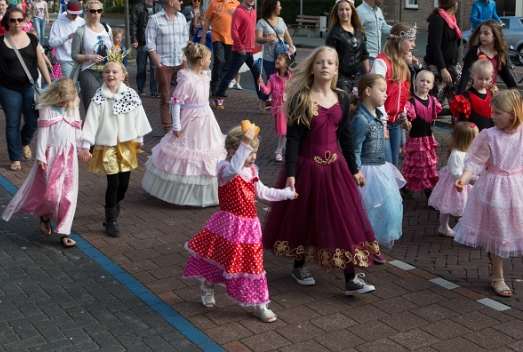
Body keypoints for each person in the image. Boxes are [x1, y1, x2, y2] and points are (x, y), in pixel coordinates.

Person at [263, 46, 380, 295]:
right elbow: (293, 139)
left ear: (336, 69)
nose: (325, 66)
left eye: (330, 63)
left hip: (335, 169)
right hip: (307, 168)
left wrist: (354, 168)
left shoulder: (343, 98)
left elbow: (345, 137)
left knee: (342, 217)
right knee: (305, 217)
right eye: (320, 62)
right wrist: (291, 173)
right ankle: (299, 265)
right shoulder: (301, 98)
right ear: (313, 67)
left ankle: (351, 279)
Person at [454, 90, 523, 297]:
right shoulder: (490, 135)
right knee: (497, 230)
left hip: (517, 188)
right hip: (493, 188)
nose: (492, 116)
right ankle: (498, 276)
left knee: (506, 230)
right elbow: (476, 160)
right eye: (493, 112)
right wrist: (464, 178)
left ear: (513, 114)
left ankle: (494, 260)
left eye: (497, 113)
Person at [183, 123, 296, 322]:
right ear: (235, 151)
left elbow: (263, 192)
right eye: (249, 152)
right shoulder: (225, 170)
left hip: (249, 228)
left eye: (255, 152)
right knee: (221, 259)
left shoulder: (252, 171)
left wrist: (286, 194)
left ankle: (259, 304)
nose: (253, 157)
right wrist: (245, 142)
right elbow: (234, 168)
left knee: (253, 264)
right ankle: (207, 287)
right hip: (227, 226)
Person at [142, 43, 226, 207]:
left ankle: (205, 192)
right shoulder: (187, 80)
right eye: (209, 59)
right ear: (201, 61)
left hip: (206, 118)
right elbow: (176, 102)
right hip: (191, 119)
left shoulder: (204, 76)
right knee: (188, 153)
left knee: (206, 150)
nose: (211, 61)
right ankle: (183, 193)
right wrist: (177, 125)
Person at [1, 79, 82, 248]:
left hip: (69, 156)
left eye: (67, 100)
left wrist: (81, 148)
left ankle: (65, 231)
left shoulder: (73, 108)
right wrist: (40, 157)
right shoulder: (47, 109)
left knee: (68, 194)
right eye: (61, 100)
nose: (64, 103)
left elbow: (77, 129)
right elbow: (43, 134)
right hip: (51, 156)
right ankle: (45, 216)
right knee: (52, 194)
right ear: (54, 95)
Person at [78, 59, 152, 237]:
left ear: (123, 75)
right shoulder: (99, 97)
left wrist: (139, 137)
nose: (110, 75)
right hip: (107, 146)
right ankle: (110, 219)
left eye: (114, 72)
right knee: (113, 183)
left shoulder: (131, 95)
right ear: (103, 75)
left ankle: (116, 203)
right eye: (107, 72)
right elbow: (91, 122)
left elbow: (138, 117)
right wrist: (85, 146)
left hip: (126, 145)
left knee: (123, 185)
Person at [0, 6, 53, 171]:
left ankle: (24, 142)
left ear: (24, 21)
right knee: (12, 123)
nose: (16, 23)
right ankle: (15, 157)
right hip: (8, 88)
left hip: (29, 86)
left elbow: (41, 62)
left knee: (33, 120)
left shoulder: (32, 39)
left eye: (19, 20)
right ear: (7, 22)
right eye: (12, 20)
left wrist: (50, 85)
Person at [350, 73, 405, 258]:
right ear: (367, 91)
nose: (386, 94)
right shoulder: (360, 119)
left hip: (381, 167)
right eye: (382, 90)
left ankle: (372, 243)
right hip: (366, 169)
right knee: (365, 209)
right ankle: (361, 245)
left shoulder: (379, 114)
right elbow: (355, 148)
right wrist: (356, 170)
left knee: (386, 209)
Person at [371, 22, 416, 167]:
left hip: (395, 122)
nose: (413, 45)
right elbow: (375, 96)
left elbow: (400, 95)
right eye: (410, 40)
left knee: (394, 165)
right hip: (381, 122)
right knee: (387, 165)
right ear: (398, 40)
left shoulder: (401, 63)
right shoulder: (381, 62)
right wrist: (383, 122)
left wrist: (403, 115)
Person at [146, 0, 188, 133]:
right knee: (165, 98)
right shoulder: (155, 19)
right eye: (179, 0)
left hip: (180, 62)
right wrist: (158, 64)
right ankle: (168, 128)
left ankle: (182, 125)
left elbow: (185, 39)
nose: (181, 2)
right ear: (171, 2)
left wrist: (184, 58)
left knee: (184, 96)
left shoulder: (182, 18)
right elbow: (150, 43)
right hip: (164, 63)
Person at [401, 69, 449, 195]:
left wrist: (453, 110)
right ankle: (413, 189)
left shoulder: (432, 101)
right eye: (422, 81)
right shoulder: (411, 102)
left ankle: (421, 190)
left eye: (428, 82)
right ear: (416, 82)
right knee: (416, 166)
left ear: (432, 85)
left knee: (427, 165)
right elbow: (408, 118)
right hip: (416, 140)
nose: (425, 84)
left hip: (427, 140)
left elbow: (439, 112)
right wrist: (406, 120)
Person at [429, 121, 479, 237]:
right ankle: (443, 226)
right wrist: (468, 179)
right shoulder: (456, 154)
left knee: (466, 204)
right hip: (453, 185)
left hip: (465, 184)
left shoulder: (470, 151)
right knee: (447, 206)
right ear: (467, 139)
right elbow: (455, 172)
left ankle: (463, 222)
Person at [214, 0, 261, 109]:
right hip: (240, 51)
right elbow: (233, 31)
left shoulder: (254, 12)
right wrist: (240, 46)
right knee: (230, 74)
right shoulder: (239, 12)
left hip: (250, 50)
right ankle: (219, 97)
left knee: (257, 74)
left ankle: (263, 98)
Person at [70, 0, 113, 114]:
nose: (96, 14)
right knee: (93, 108)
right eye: (93, 11)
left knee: (109, 107)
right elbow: (74, 55)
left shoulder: (107, 29)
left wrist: (115, 52)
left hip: (107, 73)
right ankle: (92, 131)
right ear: (87, 12)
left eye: (99, 11)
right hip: (89, 71)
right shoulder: (81, 31)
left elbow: (111, 48)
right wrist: (89, 57)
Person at [456, 20, 518, 94]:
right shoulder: (475, 51)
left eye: (486, 33)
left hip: (492, 94)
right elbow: (465, 76)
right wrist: (459, 97)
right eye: (480, 33)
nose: (482, 36)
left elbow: (508, 78)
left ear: (495, 36)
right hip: (476, 93)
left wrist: (520, 99)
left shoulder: (500, 54)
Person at [325, 0, 369, 94]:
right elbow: (329, 58)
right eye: (341, 9)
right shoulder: (333, 33)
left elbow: (364, 55)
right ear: (336, 12)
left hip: (358, 77)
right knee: (346, 105)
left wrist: (368, 75)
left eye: (347, 9)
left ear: (352, 11)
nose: (344, 12)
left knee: (359, 106)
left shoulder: (359, 32)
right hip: (340, 78)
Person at [424, 0, 462, 104]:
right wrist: (442, 69)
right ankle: (431, 121)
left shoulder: (452, 19)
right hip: (438, 67)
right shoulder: (438, 19)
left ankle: (456, 121)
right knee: (435, 102)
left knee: (457, 101)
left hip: (452, 66)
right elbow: (435, 46)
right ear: (453, 3)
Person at [202, 0, 239, 96]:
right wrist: (203, 37)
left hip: (231, 38)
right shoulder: (214, 3)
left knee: (228, 63)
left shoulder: (236, 4)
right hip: (217, 36)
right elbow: (207, 19)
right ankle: (215, 85)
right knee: (219, 60)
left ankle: (221, 86)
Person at [256, 0, 295, 104]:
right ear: (273, 7)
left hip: (282, 56)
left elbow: (287, 35)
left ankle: (281, 102)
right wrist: (267, 39)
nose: (281, 8)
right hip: (269, 56)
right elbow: (258, 38)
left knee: (284, 78)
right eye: (279, 5)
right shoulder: (262, 22)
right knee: (272, 80)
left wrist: (291, 46)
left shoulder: (281, 20)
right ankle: (264, 100)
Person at [257, 53, 292, 162]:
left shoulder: (291, 78)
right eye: (277, 59)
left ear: (286, 64)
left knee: (287, 131)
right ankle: (284, 151)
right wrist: (261, 84)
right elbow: (267, 91)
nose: (277, 60)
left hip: (290, 108)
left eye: (280, 59)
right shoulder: (272, 78)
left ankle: (279, 151)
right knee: (283, 131)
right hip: (279, 108)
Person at [129, 0, 162, 97]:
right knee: (141, 67)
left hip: (155, 43)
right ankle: (141, 89)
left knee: (155, 67)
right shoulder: (138, 8)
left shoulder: (159, 8)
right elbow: (133, 24)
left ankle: (154, 91)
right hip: (142, 43)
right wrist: (134, 40)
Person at [449, 59, 495, 130]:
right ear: (472, 75)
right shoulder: (466, 96)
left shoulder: (491, 94)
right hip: (473, 135)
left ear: (491, 77)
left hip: (488, 134)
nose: (483, 82)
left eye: (487, 79)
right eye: (480, 78)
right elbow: (463, 120)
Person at [356, 0, 392, 67]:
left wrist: (401, 29)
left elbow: (384, 27)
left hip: (378, 56)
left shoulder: (378, 10)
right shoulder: (360, 12)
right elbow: (354, 34)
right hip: (366, 58)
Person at [48, 0, 85, 79]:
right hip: (66, 60)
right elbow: (52, 43)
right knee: (71, 85)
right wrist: (67, 37)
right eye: (72, 14)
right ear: (66, 11)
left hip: (80, 59)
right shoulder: (58, 23)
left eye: (77, 13)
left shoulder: (82, 22)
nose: (75, 16)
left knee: (79, 87)